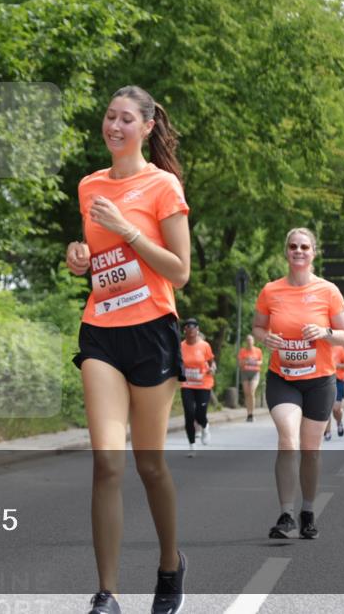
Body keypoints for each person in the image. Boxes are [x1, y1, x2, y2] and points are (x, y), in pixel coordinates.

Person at [66, 85, 190, 614]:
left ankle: (169, 564)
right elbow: (98, 260)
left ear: (145, 127)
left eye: (125, 119)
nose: (113, 126)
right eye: (108, 117)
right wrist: (80, 258)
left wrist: (127, 232)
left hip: (151, 331)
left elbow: (179, 272)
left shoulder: (163, 186)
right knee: (106, 462)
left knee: (150, 464)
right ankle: (107, 593)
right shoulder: (89, 185)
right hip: (101, 329)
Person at [252, 228, 344, 540]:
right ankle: (286, 514)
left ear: (313, 252)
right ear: (286, 251)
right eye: (293, 246)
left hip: (319, 380)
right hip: (283, 378)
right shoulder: (271, 291)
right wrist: (264, 337)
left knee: (310, 449)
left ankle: (308, 510)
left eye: (304, 247)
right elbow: (257, 326)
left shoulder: (328, 291)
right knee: (288, 439)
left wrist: (324, 333)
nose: (298, 251)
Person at [181, 319, 216, 455]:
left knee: (200, 414)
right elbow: (178, 363)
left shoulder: (204, 346)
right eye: (188, 330)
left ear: (197, 331)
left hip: (203, 384)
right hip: (187, 384)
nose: (191, 332)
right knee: (189, 414)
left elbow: (212, 362)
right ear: (185, 332)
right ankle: (192, 445)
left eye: (193, 329)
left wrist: (212, 368)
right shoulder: (181, 346)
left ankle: (205, 426)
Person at [326, 344, 344, 440]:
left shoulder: (339, 349)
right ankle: (327, 431)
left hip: (337, 381)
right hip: (323, 381)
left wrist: (338, 366)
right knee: (326, 408)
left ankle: (339, 422)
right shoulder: (319, 347)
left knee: (336, 409)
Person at [238, 335, 263, 422]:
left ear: (253, 341)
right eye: (248, 340)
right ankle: (248, 414)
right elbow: (240, 363)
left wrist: (255, 362)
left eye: (251, 340)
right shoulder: (242, 351)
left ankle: (252, 413)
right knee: (246, 393)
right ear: (246, 341)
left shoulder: (258, 350)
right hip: (245, 372)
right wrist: (246, 360)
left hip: (255, 373)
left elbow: (261, 362)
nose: (249, 341)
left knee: (251, 392)